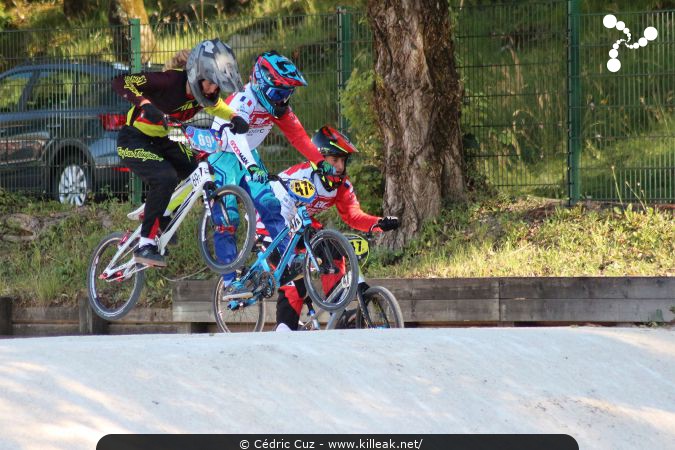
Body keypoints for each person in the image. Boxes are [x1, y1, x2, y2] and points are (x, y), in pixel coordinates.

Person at [112, 38, 249, 267]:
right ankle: (145, 244)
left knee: (199, 169)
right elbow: (120, 81)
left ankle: (163, 213)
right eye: (211, 83)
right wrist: (145, 104)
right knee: (165, 177)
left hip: (162, 140)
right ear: (198, 74)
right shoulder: (169, 81)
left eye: (217, 86)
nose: (213, 89)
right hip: (133, 139)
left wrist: (235, 118)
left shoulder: (204, 94)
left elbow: (218, 107)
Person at [208, 50, 337, 292]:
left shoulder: (278, 107)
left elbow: (298, 137)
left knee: (269, 204)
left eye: (287, 94)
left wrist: (321, 163)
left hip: (249, 156)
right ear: (260, 83)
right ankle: (228, 281)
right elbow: (236, 138)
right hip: (224, 154)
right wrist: (252, 166)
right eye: (278, 93)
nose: (282, 100)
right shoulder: (244, 101)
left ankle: (287, 260)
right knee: (228, 218)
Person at [264, 125, 400, 331]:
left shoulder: (341, 186)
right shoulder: (302, 177)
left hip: (301, 226)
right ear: (320, 159)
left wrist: (378, 223)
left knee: (333, 249)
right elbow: (278, 211)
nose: (339, 166)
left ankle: (338, 313)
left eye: (342, 161)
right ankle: (284, 329)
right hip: (270, 224)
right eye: (334, 160)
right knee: (295, 279)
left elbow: (353, 215)